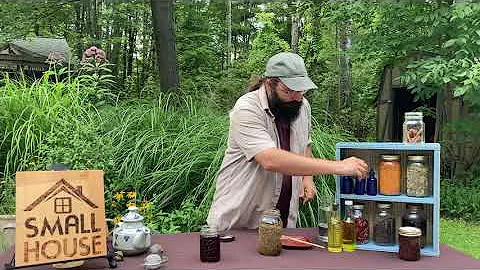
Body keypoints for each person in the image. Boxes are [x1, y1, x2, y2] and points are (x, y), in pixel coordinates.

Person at [207, 52, 368, 232]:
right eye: (289, 90)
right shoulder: (247, 108)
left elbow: (305, 143)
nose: (297, 97)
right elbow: (269, 159)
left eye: (301, 90)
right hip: (239, 224)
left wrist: (307, 178)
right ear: (269, 83)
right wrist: (338, 167)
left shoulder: (302, 106)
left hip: (283, 223)